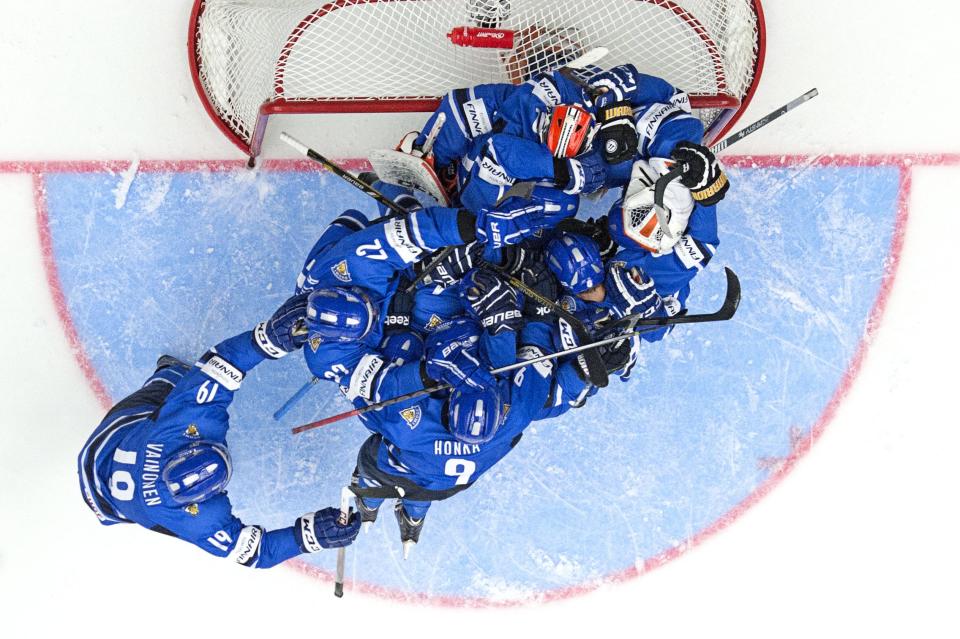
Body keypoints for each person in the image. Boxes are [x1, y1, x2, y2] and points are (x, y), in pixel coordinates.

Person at [77, 294, 361, 568]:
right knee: (179, 387)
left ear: (189, 446)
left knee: (176, 384)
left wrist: (270, 339)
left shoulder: (183, 426)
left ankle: (167, 376)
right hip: (113, 483)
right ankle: (168, 378)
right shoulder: (198, 514)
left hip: (109, 449)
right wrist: (267, 340)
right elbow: (224, 363)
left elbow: (257, 553)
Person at [344, 317, 632, 556]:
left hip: (397, 469)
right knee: (426, 490)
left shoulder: (410, 429)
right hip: (451, 484)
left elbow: (367, 402)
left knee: (375, 471)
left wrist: (422, 373)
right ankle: (413, 518)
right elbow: (547, 379)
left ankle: (368, 502)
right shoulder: (515, 414)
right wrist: (586, 369)